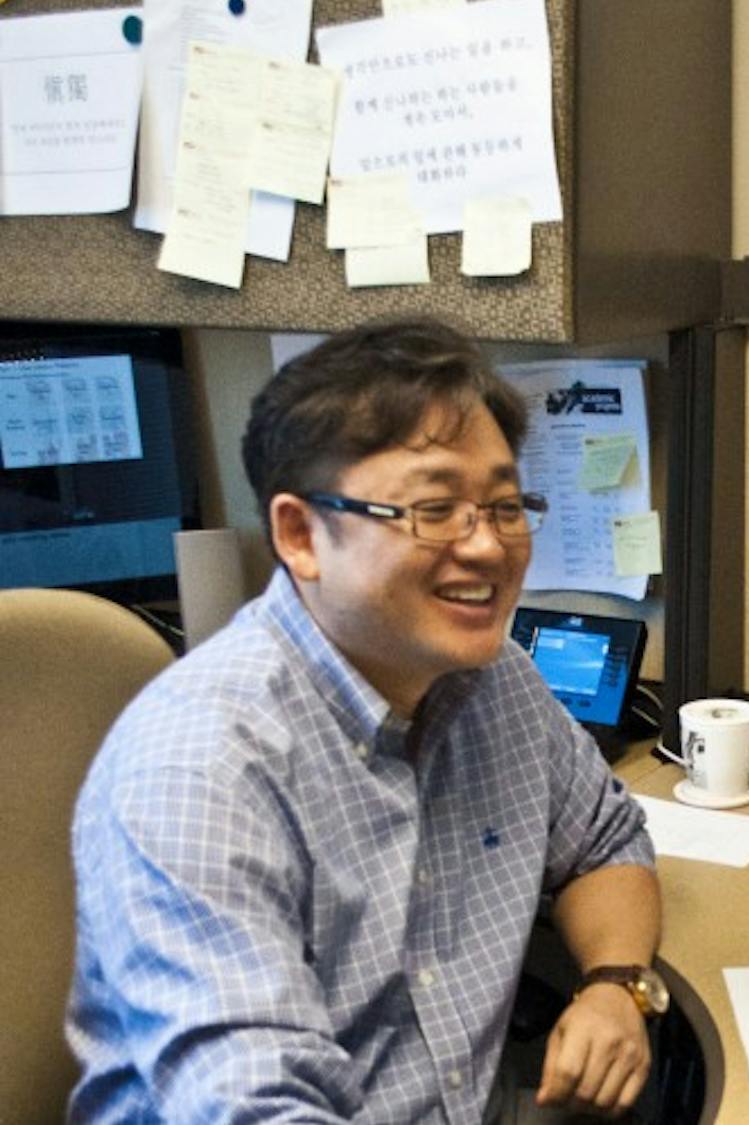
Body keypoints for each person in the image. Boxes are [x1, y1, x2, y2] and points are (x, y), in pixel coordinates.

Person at [67, 318, 662, 1124]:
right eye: (436, 508)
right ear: (300, 534)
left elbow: (605, 839)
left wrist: (616, 987)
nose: (487, 546)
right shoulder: (199, 769)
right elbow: (259, 1110)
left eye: (504, 504)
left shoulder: (493, 682)